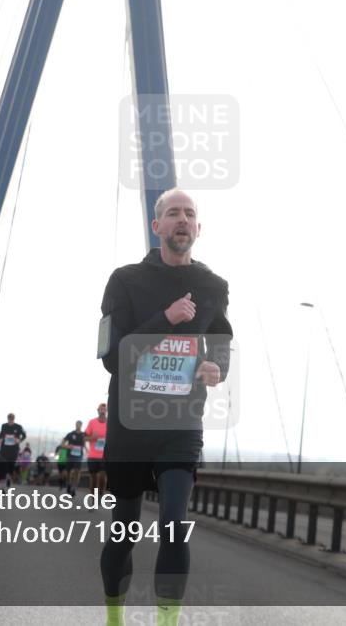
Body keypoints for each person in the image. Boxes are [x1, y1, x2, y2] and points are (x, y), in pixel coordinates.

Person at [98, 189, 232, 626]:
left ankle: (166, 623)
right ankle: (115, 619)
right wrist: (165, 320)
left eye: (189, 214)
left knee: (175, 522)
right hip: (129, 425)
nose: (182, 220)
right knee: (125, 530)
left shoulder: (214, 287)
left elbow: (222, 345)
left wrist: (217, 368)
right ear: (157, 227)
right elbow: (112, 357)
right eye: (173, 212)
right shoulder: (124, 280)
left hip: (181, 424)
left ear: (197, 228)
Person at [0, 413, 26, 489]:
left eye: (12, 418)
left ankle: (8, 478)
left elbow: (24, 435)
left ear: (14, 418)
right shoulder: (4, 426)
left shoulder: (18, 427)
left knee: (11, 466)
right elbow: (1, 434)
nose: (10, 419)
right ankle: (2, 485)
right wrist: (0, 439)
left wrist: (19, 440)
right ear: (7, 418)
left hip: (14, 450)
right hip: (4, 449)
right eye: (9, 418)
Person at [85, 403, 108, 500]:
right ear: (98, 410)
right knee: (93, 479)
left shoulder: (110, 423)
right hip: (93, 455)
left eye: (104, 409)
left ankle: (101, 493)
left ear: (106, 411)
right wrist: (92, 437)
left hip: (105, 456)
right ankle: (93, 497)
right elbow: (84, 438)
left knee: (102, 477)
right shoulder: (92, 422)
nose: (102, 411)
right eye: (101, 409)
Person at [63, 421, 86, 497]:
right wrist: (68, 446)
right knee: (68, 472)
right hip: (70, 455)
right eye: (77, 424)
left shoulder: (83, 434)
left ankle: (74, 488)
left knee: (77, 471)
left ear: (81, 425)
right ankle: (69, 484)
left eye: (79, 424)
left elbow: (86, 443)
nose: (78, 426)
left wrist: (85, 448)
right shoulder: (70, 434)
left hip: (78, 456)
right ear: (75, 425)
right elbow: (63, 443)